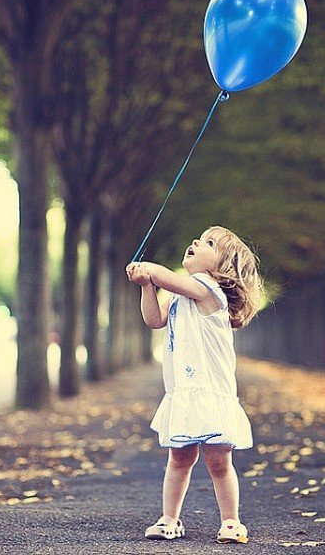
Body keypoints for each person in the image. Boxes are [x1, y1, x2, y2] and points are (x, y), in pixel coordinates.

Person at [126, 225, 261, 544]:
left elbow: (169, 278)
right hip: (185, 393)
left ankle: (231, 521)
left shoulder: (208, 290)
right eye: (198, 237)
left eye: (209, 243)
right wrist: (147, 286)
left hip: (212, 392)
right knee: (179, 457)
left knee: (218, 461)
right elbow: (155, 320)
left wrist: (151, 270)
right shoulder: (178, 292)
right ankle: (169, 518)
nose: (196, 241)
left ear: (222, 266)